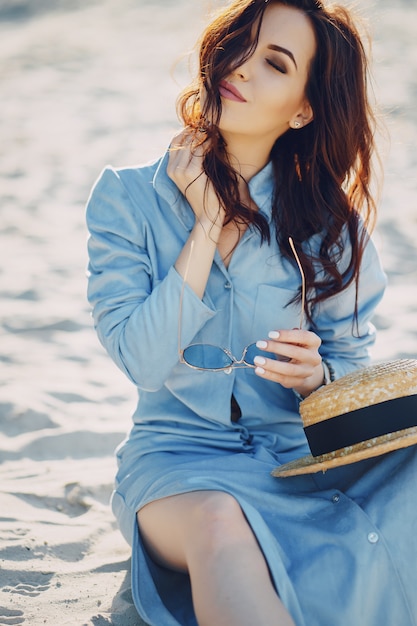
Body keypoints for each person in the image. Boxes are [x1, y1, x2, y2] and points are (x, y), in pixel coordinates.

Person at [86, 1, 417, 625]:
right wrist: (206, 225)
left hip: (297, 462)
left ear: (302, 108)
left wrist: (316, 379)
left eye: (275, 62)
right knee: (220, 523)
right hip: (176, 467)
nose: (241, 66)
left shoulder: (333, 229)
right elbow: (143, 361)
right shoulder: (127, 198)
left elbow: (351, 378)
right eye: (243, 44)